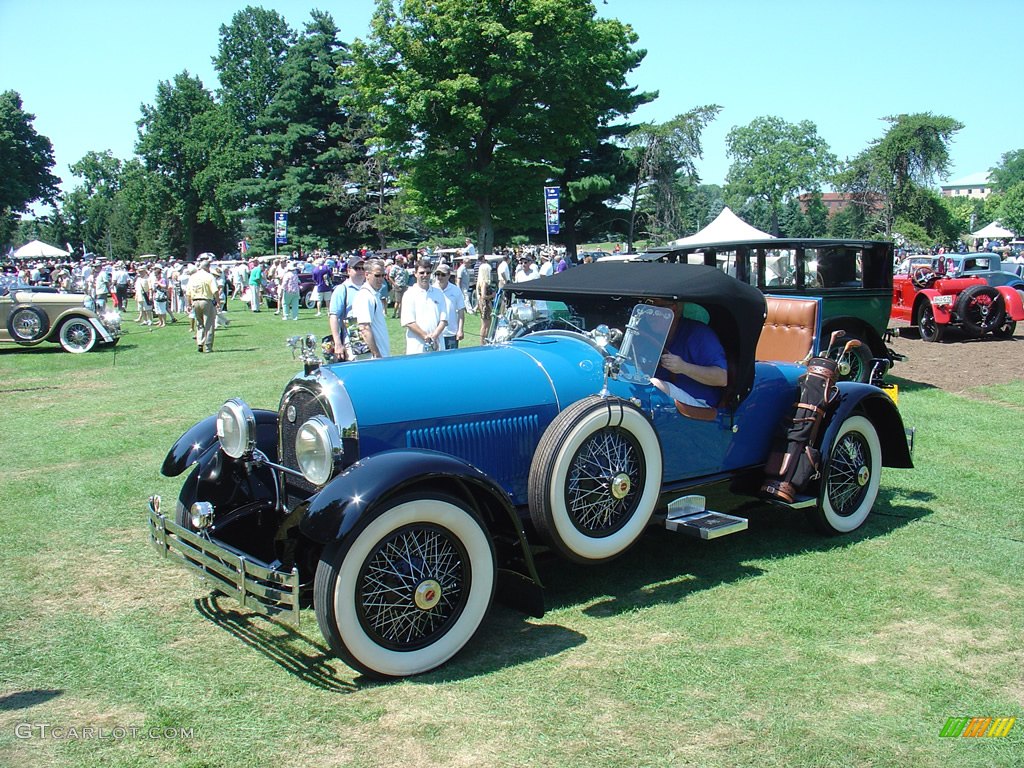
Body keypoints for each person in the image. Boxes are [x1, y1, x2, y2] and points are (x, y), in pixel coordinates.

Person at [650, 302, 727, 408]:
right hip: (664, 403)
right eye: (647, 307)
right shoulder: (647, 333)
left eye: (657, 308)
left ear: (674, 309)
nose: (650, 315)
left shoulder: (698, 333)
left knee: (655, 385)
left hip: (699, 403)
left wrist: (683, 367)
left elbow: (722, 378)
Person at [401, 258, 448, 354]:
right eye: (422, 273)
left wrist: (434, 336)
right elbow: (409, 322)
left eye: (428, 273)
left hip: (437, 344)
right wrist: (426, 337)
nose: (425, 276)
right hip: (416, 346)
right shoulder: (409, 294)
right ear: (415, 274)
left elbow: (444, 320)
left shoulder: (438, 293)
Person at [328, 255, 367, 360]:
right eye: (357, 268)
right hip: (354, 337)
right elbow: (333, 317)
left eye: (363, 268)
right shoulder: (342, 289)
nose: (360, 271)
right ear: (349, 270)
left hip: (371, 335)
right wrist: (338, 343)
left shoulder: (368, 288)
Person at [351, 259, 390, 358]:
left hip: (381, 352)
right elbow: (364, 328)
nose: (381, 279)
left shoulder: (374, 294)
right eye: (377, 275)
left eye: (383, 275)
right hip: (372, 357)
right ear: (367, 275)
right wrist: (376, 354)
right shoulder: (365, 296)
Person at [187, 256, 220, 353]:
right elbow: (215, 290)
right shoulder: (209, 276)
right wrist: (218, 302)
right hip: (206, 300)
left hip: (195, 301)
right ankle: (208, 346)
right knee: (209, 324)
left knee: (199, 324)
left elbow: (188, 293)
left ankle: (200, 343)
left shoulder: (193, 277)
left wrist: (189, 304)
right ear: (208, 267)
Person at [434, 263, 465, 349]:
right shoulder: (431, 290)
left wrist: (460, 330)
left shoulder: (456, 290)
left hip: (451, 333)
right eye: (437, 274)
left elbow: (461, 312)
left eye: (443, 275)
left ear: (448, 275)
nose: (440, 277)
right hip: (435, 333)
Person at [475, 252, 494, 343]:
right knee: (486, 324)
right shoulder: (484, 282)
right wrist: (492, 296)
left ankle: (483, 341)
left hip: (483, 304)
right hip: (485, 304)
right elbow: (483, 296)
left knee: (485, 324)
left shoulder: (480, 281)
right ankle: (482, 341)